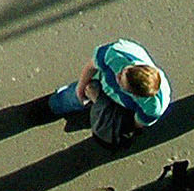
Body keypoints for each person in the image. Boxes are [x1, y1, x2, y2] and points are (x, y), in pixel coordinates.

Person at [38, 38, 169, 149]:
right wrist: (80, 88)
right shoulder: (116, 53)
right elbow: (91, 66)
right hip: (100, 82)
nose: (117, 76)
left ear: (135, 95)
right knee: (71, 97)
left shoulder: (153, 107)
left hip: (120, 107)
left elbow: (133, 123)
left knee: (109, 124)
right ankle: (53, 106)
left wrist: (99, 101)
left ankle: (93, 113)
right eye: (122, 72)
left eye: (121, 82)